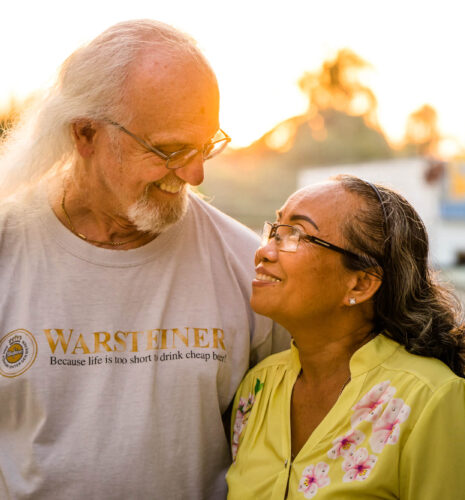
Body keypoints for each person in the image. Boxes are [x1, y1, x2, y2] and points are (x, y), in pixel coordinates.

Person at [0, 20, 288, 500]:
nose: (195, 173)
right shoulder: (8, 249)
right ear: (85, 135)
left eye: (205, 145)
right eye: (171, 150)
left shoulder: (247, 268)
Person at [226, 175, 465, 499]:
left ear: (360, 284)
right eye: (275, 230)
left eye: (295, 235)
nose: (264, 252)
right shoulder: (256, 390)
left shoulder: (431, 399)